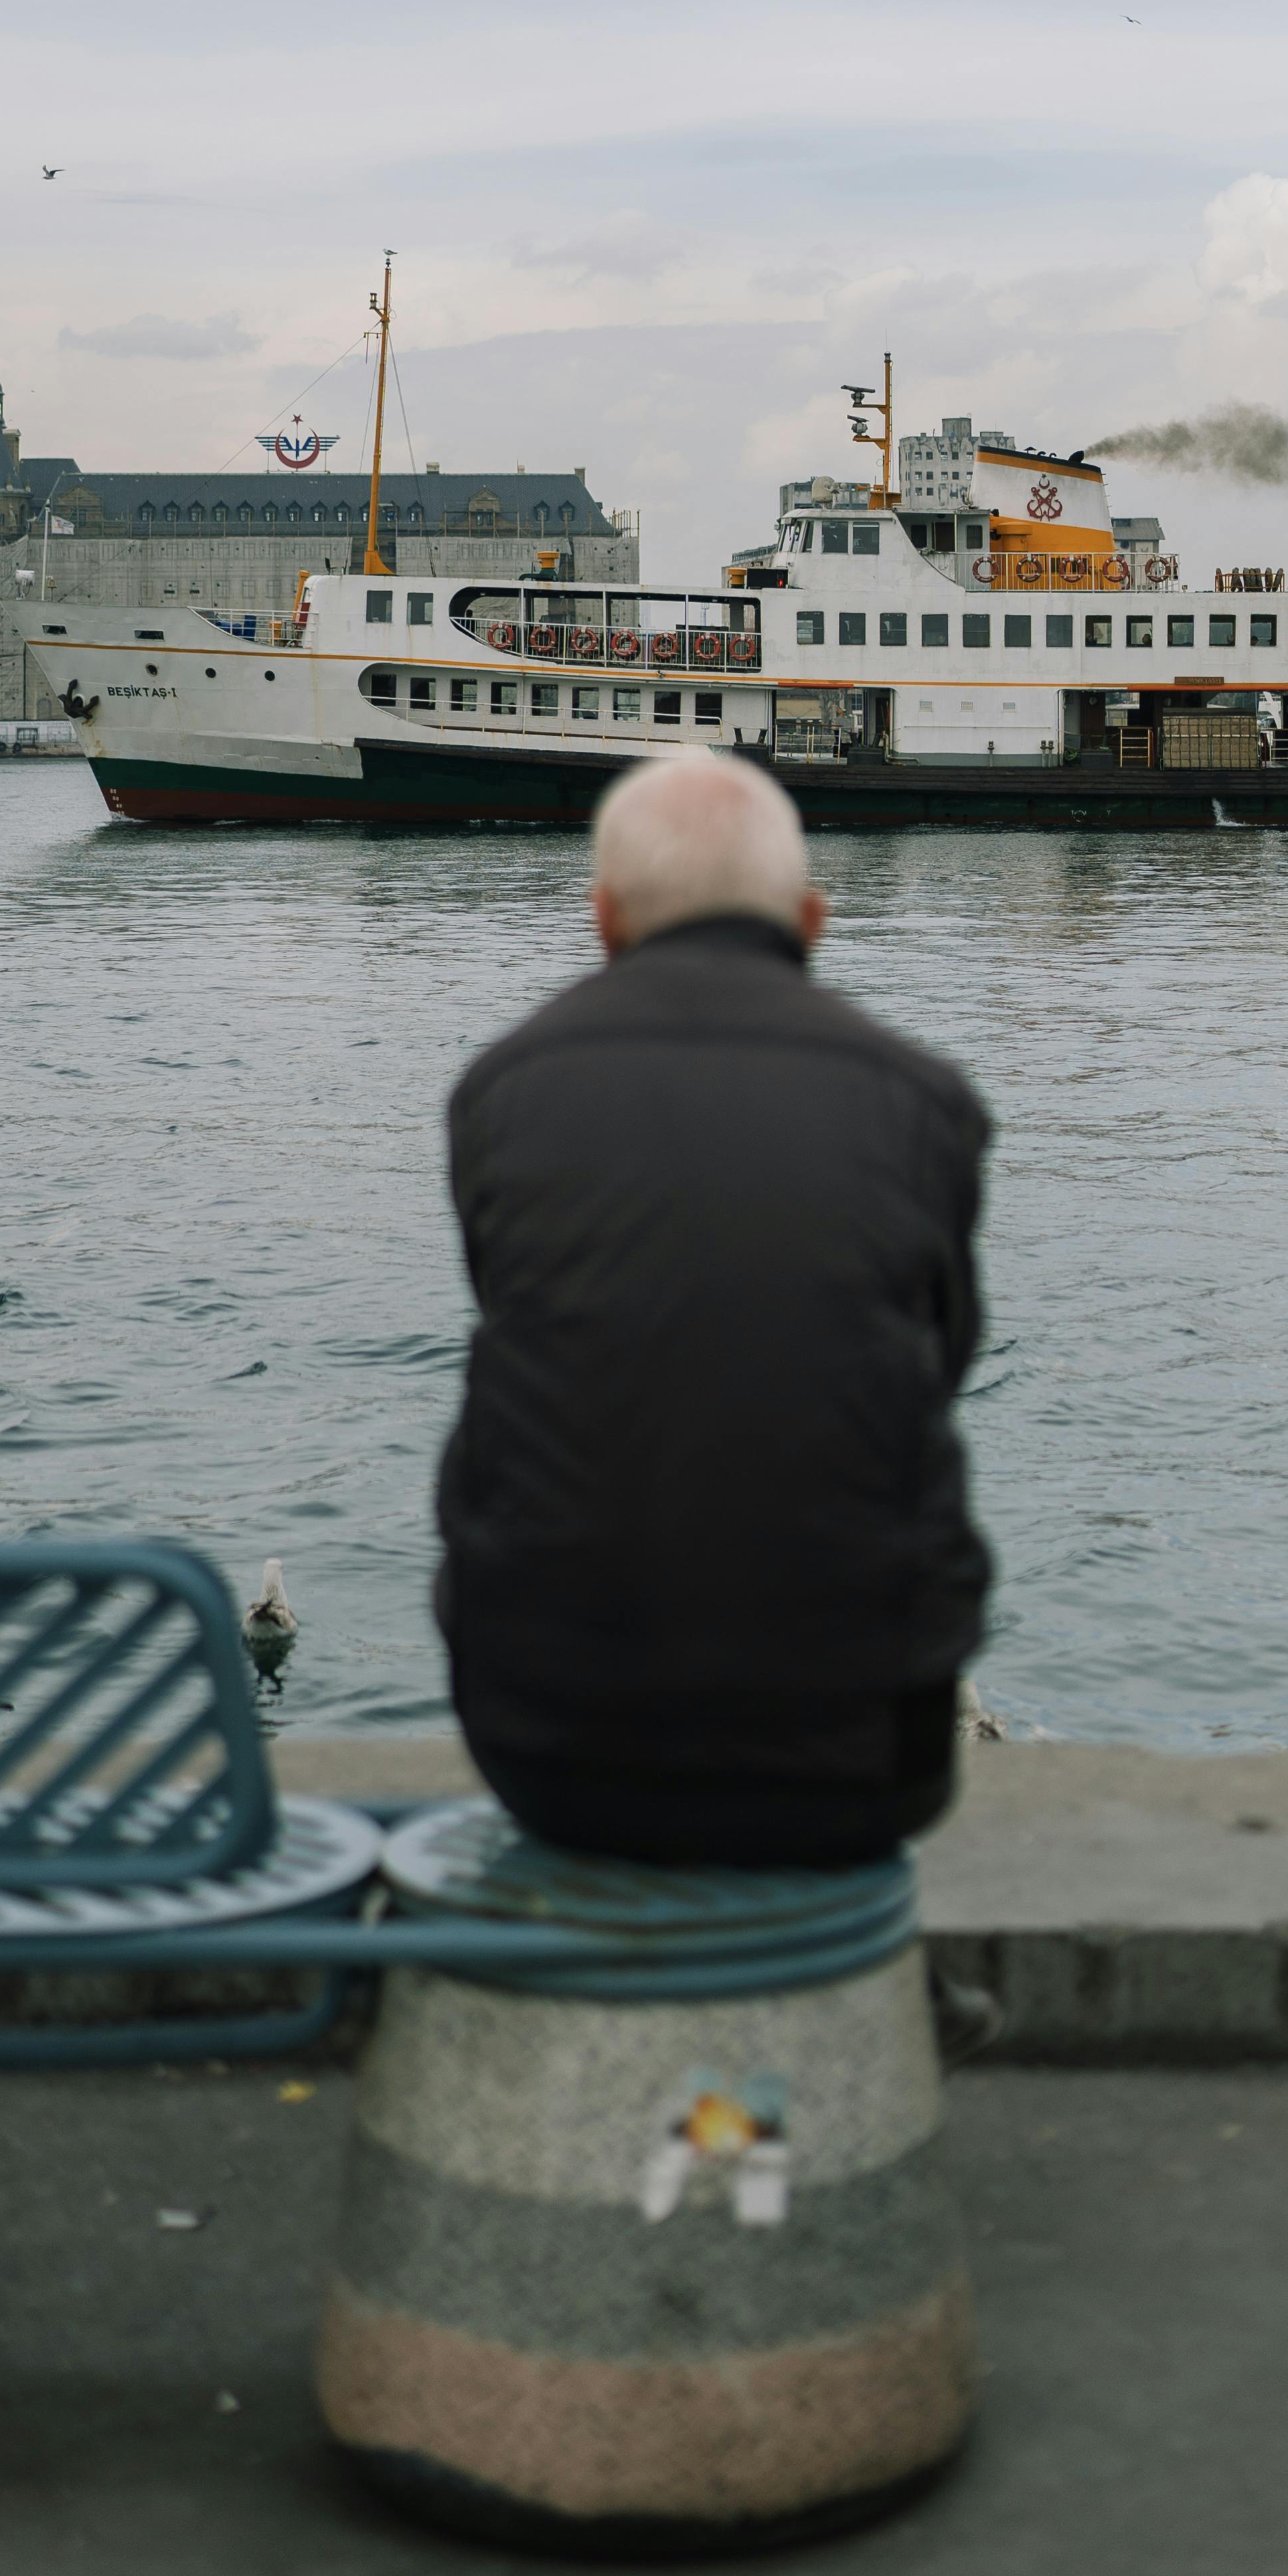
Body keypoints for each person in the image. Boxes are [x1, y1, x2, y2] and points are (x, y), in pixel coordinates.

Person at [434, 753, 992, 1868]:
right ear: (812, 920)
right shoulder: (927, 1102)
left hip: (547, 1756)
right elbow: (942, 1362)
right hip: (866, 1765)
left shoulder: (500, 1092)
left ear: (603, 922)